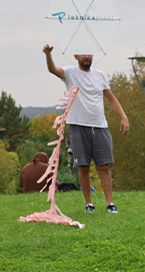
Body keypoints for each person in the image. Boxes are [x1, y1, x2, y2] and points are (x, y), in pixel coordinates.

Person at [43, 44, 129, 213]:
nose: (87, 56)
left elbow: (111, 99)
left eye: (89, 53)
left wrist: (123, 116)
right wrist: (48, 54)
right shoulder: (70, 72)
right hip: (77, 126)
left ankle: (110, 204)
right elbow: (53, 69)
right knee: (83, 166)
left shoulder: (99, 75)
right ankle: (89, 204)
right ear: (76, 56)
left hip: (100, 126)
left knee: (104, 166)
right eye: (83, 54)